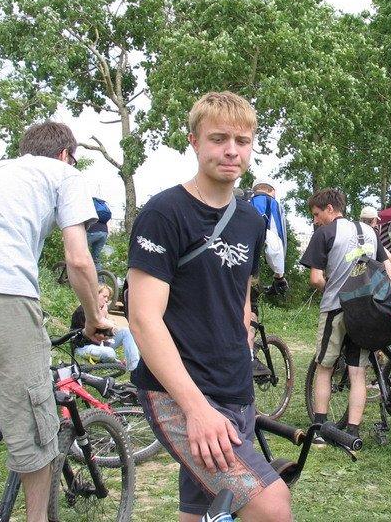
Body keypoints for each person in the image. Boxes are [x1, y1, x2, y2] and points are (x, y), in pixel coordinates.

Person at [126, 91, 291, 522]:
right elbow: (143, 319)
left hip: (235, 387)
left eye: (242, 140)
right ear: (194, 142)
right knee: (271, 504)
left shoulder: (251, 220)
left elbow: (241, 297)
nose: (232, 150)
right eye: (218, 139)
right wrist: (196, 409)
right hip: (179, 392)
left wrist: (244, 349)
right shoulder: (164, 213)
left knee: (202, 512)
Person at [0, 120, 104, 522]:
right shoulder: (64, 173)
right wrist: (94, 317)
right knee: (31, 413)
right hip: (2, 290)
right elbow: (79, 258)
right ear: (65, 154)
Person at [300, 189, 391, 442]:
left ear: (330, 208)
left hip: (336, 307)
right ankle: (352, 431)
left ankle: (319, 428)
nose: (316, 220)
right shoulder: (371, 232)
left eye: (317, 214)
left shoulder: (324, 233)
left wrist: (330, 287)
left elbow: (316, 278)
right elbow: (386, 266)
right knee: (357, 372)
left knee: (324, 367)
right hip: (366, 312)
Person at [71, 284, 141, 371]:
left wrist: (110, 328)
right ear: (95, 295)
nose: (106, 300)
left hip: (100, 344)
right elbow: (95, 334)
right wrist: (104, 318)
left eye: (108, 297)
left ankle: (134, 368)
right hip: (83, 347)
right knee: (110, 353)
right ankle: (117, 363)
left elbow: (106, 334)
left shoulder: (100, 311)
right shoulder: (84, 310)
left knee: (126, 331)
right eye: (104, 296)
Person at [360, 205, 391, 278]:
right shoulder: (372, 233)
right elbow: (389, 258)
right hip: (367, 277)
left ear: (361, 219)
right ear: (374, 220)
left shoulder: (353, 231)